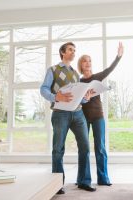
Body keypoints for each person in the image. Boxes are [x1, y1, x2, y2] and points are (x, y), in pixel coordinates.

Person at [40, 42, 96, 194]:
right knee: (58, 149)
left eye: (74, 50)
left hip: (78, 113)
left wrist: (86, 98)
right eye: (71, 50)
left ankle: (84, 181)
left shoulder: (76, 74)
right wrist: (55, 96)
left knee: (85, 147)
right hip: (60, 113)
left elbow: (77, 97)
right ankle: (57, 184)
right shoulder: (53, 70)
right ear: (63, 52)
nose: (73, 52)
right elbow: (43, 89)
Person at [77, 42, 124, 186]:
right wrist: (84, 97)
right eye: (85, 60)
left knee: (101, 148)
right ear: (81, 64)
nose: (88, 63)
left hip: (98, 116)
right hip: (83, 117)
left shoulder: (97, 77)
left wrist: (118, 56)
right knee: (83, 149)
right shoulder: (78, 81)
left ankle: (103, 178)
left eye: (90, 60)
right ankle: (82, 180)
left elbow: (109, 69)